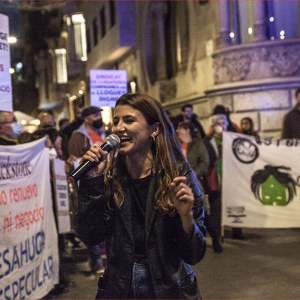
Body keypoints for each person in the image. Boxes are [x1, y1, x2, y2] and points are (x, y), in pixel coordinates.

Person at [76, 93, 206, 299]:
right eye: (116, 121)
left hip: (169, 288)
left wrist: (186, 216)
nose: (119, 128)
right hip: (119, 287)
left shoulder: (177, 175)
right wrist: (92, 181)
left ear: (154, 129)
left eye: (129, 120)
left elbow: (195, 254)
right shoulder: (109, 176)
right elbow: (90, 235)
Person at [68, 105, 107, 274]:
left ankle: (102, 257)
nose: (99, 117)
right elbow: (74, 161)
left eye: (99, 114)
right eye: (95, 115)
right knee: (90, 219)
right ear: (86, 118)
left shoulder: (102, 134)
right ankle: (96, 260)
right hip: (89, 183)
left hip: (104, 182)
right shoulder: (78, 137)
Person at [176, 121, 209, 185]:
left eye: (180, 128)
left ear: (187, 130)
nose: (177, 130)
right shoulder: (176, 146)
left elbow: (205, 162)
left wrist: (195, 172)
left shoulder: (198, 145)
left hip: (195, 182)